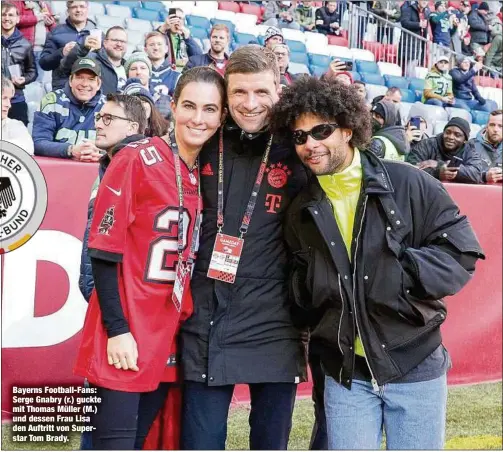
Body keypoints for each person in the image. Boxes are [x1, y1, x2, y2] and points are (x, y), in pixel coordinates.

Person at [271, 75, 485, 450]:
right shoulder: (301, 209)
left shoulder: (407, 182)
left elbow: (461, 252)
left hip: (414, 365)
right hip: (346, 376)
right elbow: (300, 282)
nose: (310, 144)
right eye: (300, 136)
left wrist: (401, 276)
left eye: (320, 130)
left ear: (348, 129)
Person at [73, 67, 226, 450]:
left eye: (210, 109)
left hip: (169, 332)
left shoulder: (203, 173)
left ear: (222, 116)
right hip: (127, 327)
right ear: (172, 107)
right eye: (189, 105)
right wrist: (117, 328)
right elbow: (103, 252)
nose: (198, 118)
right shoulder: (136, 157)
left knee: (141, 439)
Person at [179, 45, 307, 451]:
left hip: (276, 316)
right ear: (225, 92)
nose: (250, 105)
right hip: (207, 312)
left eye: (261, 93)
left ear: (278, 90)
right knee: (200, 441)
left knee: (271, 443)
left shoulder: (301, 145)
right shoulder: (204, 135)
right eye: (239, 94)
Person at [33, 57, 104, 159]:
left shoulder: (108, 107)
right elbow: (38, 143)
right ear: (70, 80)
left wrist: (99, 150)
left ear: (98, 84)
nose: (84, 84)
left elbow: (118, 146)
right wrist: (70, 150)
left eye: (91, 79)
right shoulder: (52, 101)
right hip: (57, 169)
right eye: (79, 77)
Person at [39, 1, 97, 90]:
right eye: (74, 7)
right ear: (68, 11)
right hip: (63, 87)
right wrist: (61, 52)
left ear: (87, 10)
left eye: (82, 6)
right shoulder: (55, 32)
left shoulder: (97, 34)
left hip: (89, 89)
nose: (78, 10)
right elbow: (44, 63)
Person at [407, 117, 484, 184]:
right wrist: (437, 173)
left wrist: (439, 165)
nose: (450, 137)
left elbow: (476, 174)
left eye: (457, 135)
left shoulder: (469, 150)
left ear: (465, 140)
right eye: (448, 132)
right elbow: (411, 167)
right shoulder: (427, 144)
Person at [59, 26, 128, 94]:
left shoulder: (130, 68)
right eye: (115, 40)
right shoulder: (91, 59)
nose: (119, 44)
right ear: (105, 43)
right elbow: (66, 67)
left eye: (123, 41)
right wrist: (82, 49)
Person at [1, 2, 37, 126]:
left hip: (16, 99)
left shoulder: (25, 44)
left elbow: (33, 71)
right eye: (3, 15)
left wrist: (24, 79)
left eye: (10, 15)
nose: (6, 18)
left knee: (18, 139)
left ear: (17, 19)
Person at [13, 0, 56, 80]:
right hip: (27, 50)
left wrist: (51, 23)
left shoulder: (44, 4)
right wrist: (36, 18)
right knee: (27, 82)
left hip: (44, 50)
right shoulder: (17, 2)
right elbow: (14, 19)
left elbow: (54, 29)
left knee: (41, 82)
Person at [125, 51, 171, 120]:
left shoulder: (164, 101)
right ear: (127, 75)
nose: (138, 72)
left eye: (143, 68)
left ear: (149, 74)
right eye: (133, 69)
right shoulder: (119, 99)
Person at [1, 76, 33, 154]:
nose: (9, 105)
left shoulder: (15, 125)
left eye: (10, 99)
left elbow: (28, 147)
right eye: (4, 98)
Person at [144, 31, 181, 98]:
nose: (156, 48)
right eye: (151, 44)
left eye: (159, 44)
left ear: (166, 49)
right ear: (145, 50)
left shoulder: (177, 77)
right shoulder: (138, 73)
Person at [470, 110, 503, 184]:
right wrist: (484, 176)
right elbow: (461, 173)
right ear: (486, 127)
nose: (495, 129)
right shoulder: (471, 145)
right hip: (477, 191)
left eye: (500, 126)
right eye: (492, 125)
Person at [399, 0, 430, 76]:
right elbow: (404, 22)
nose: (425, 2)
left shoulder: (426, 12)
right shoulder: (409, 9)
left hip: (419, 42)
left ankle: (410, 82)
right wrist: (418, 24)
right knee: (410, 64)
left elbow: (425, 27)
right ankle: (408, 82)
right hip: (408, 41)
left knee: (413, 64)